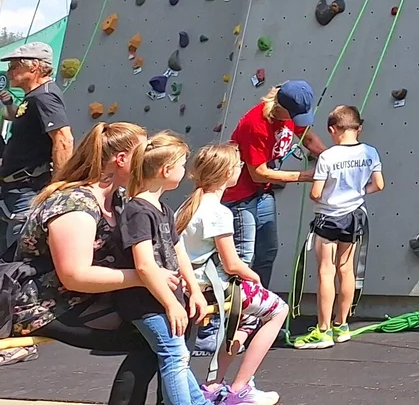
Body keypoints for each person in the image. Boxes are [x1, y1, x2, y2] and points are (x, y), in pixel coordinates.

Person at [13, 120, 160, 405]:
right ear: (121, 160)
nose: (150, 161)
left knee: (167, 324)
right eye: (145, 154)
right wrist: (146, 277)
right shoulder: (74, 205)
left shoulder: (117, 199)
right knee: (151, 336)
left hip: (83, 299)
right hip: (44, 305)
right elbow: (75, 275)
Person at [176, 143, 287, 405]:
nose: (239, 169)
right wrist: (254, 277)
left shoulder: (186, 207)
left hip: (195, 285)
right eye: (237, 166)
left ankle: (215, 385)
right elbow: (232, 263)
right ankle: (240, 388)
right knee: (278, 309)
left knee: (245, 319)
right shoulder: (218, 212)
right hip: (214, 287)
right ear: (227, 174)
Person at [116, 131, 213, 405]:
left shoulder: (163, 209)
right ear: (166, 169)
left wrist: (194, 290)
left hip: (162, 299)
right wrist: (171, 304)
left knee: (178, 354)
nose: (185, 170)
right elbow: (145, 265)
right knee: (174, 354)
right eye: (182, 164)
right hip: (145, 302)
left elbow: (177, 250)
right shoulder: (137, 211)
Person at [290, 105, 383, 349]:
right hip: (354, 217)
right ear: (359, 128)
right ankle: (342, 325)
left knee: (325, 272)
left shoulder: (328, 157)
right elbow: (378, 185)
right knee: (346, 269)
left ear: (332, 130)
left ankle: (323, 329)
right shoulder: (370, 152)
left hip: (328, 218)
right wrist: (357, 193)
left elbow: (316, 193)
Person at [222, 81, 327, 293]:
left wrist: (330, 157)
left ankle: (261, 309)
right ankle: (238, 312)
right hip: (241, 196)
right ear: (281, 108)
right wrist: (304, 176)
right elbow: (258, 173)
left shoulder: (291, 111)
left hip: (262, 193)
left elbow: (308, 137)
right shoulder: (255, 124)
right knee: (244, 256)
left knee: (268, 252)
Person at [0, 40, 73, 257]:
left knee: (17, 254)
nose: (10, 71)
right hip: (15, 189)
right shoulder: (34, 96)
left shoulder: (45, 96)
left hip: (27, 191)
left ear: (34, 67)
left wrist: (57, 186)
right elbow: (15, 118)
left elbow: (63, 139)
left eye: (15, 66)